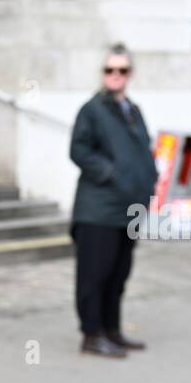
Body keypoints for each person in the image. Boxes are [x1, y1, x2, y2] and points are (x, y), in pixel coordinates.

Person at [68, 43, 159, 358]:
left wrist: (150, 179)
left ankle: (112, 330)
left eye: (121, 70)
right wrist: (109, 173)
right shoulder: (92, 109)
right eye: (110, 69)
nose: (115, 75)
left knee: (119, 275)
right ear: (103, 73)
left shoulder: (132, 110)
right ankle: (92, 335)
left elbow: (143, 150)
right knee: (95, 275)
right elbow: (79, 150)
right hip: (98, 210)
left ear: (129, 73)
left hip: (129, 210)